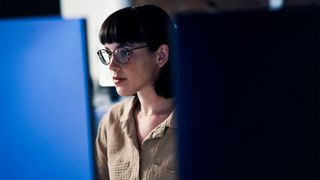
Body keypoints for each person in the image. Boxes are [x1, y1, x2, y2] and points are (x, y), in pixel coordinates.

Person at [95, 4, 178, 180]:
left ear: (161, 55)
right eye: (108, 53)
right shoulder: (111, 121)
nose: (111, 65)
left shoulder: (198, 124)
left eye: (123, 52)